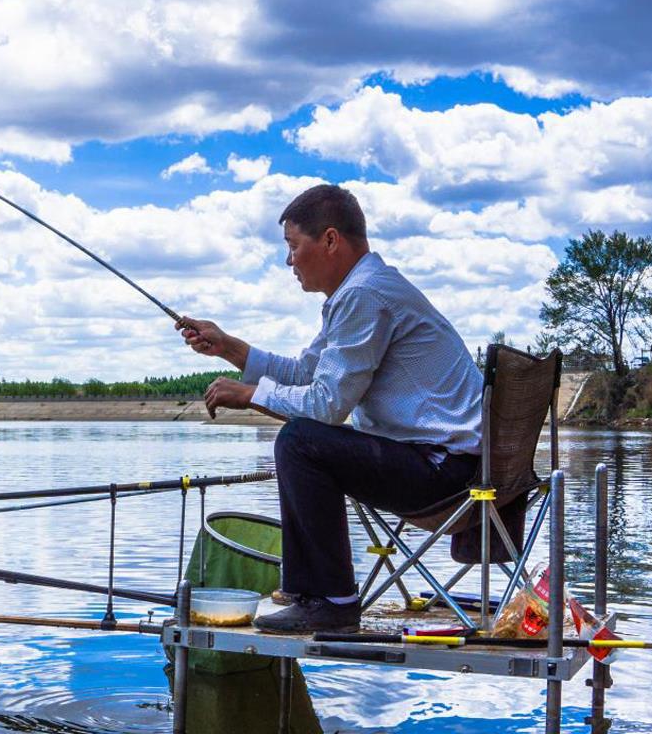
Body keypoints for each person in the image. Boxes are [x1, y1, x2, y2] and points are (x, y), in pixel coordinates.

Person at [176, 183, 482, 633]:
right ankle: (310, 593)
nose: (289, 261)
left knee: (301, 441)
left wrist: (249, 396)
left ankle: (331, 601)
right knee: (302, 438)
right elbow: (307, 372)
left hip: (445, 473)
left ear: (330, 240)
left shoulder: (365, 295)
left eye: (293, 246)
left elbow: (325, 406)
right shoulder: (363, 290)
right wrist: (229, 348)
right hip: (451, 465)